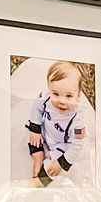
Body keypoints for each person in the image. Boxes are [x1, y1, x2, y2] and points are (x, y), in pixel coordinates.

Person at [26, 60, 87, 188]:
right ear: (49, 90)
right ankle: (38, 157)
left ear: (78, 96)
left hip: (62, 143)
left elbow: (77, 146)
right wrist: (35, 130)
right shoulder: (45, 98)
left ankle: (41, 181)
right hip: (46, 132)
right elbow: (37, 107)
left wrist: (61, 163)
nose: (61, 101)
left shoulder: (78, 121)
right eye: (56, 94)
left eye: (69, 96)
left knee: (54, 165)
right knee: (32, 133)